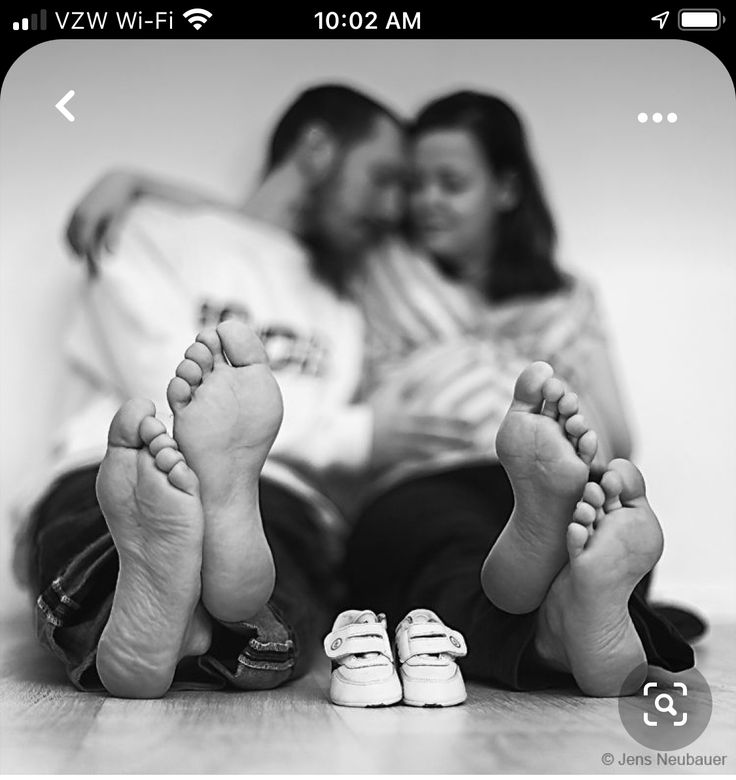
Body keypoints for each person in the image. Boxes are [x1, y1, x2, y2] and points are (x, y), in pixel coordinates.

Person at [56, 87, 697, 697]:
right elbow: (253, 228)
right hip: (411, 479)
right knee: (442, 545)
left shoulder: (551, 297)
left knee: (580, 533)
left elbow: (618, 438)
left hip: (485, 475)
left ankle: (572, 602)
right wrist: (135, 182)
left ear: (506, 189)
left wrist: (553, 357)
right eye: (401, 182)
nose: (410, 205)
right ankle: (558, 626)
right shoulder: (377, 266)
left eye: (447, 184)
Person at [14, 84, 474, 698]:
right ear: (316, 149)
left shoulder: (344, 298)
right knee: (121, 515)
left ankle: (163, 619)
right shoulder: (150, 232)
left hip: (274, 490)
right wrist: (359, 434)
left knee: (275, 538)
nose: (394, 207)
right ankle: (203, 618)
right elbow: (153, 374)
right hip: (123, 467)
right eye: (383, 177)